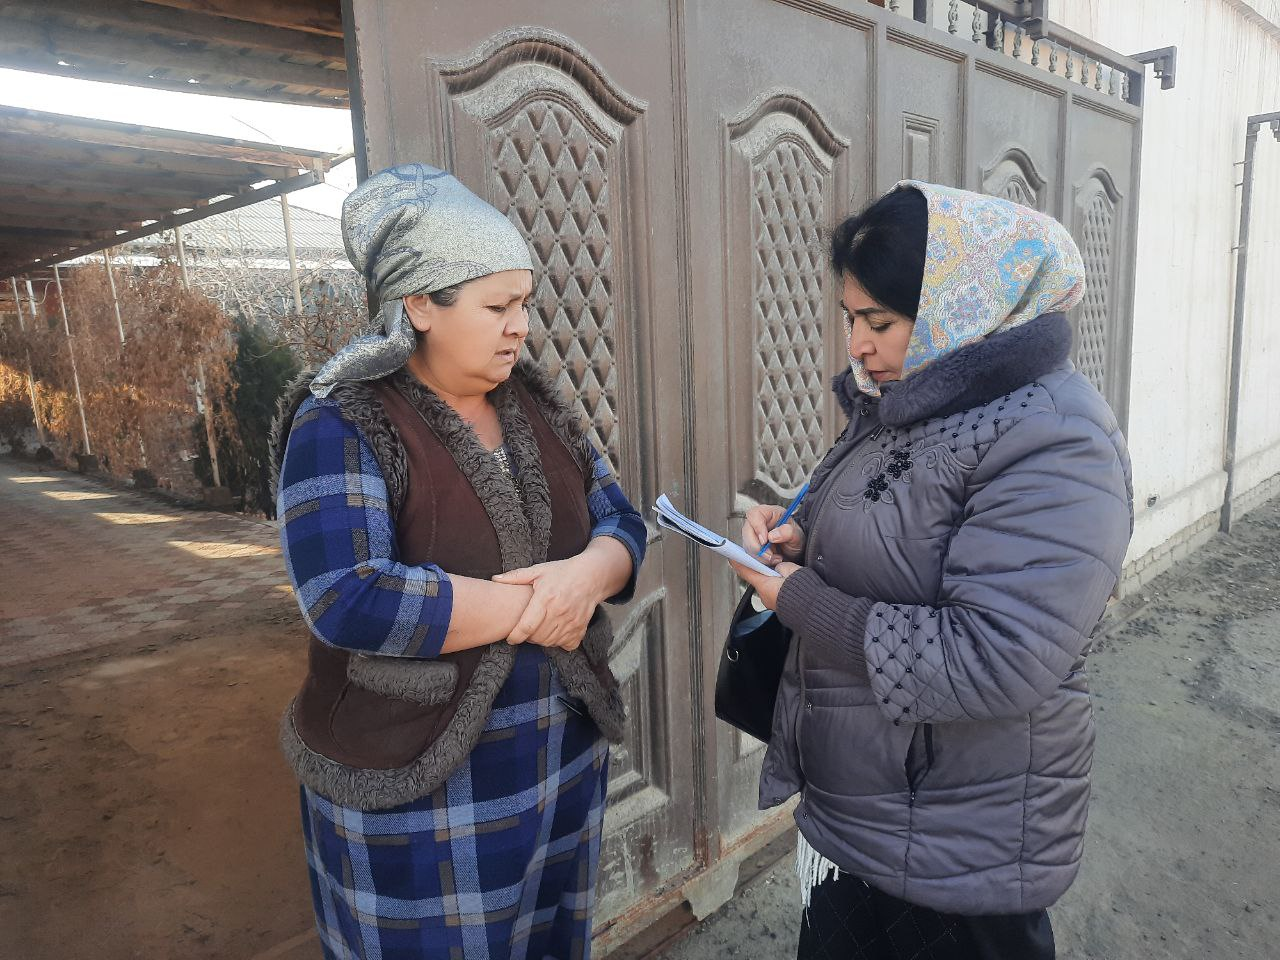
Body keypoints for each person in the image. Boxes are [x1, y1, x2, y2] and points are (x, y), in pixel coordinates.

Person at [731, 182, 1133, 960]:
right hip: (861, 815)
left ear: (960, 308)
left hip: (958, 846)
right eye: (851, 319)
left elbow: (994, 656)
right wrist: (795, 534)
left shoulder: (1056, 440)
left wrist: (800, 600)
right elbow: (892, 538)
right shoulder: (906, 403)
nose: (857, 344)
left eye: (878, 322)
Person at [269, 163, 646, 959]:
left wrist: (585, 575)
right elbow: (346, 595)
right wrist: (533, 608)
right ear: (419, 306)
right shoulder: (342, 419)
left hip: (552, 761)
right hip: (417, 783)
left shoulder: (536, 404)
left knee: (548, 942)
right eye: (497, 306)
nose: (521, 327)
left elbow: (620, 520)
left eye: (525, 304)